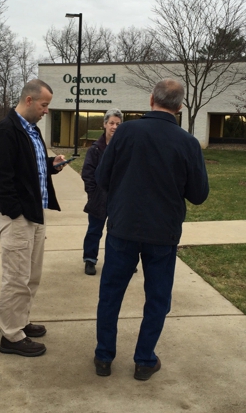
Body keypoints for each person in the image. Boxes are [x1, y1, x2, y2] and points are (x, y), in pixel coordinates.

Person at [93, 78, 209, 380]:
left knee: (110, 295)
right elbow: (199, 194)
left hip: (123, 228)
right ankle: (144, 360)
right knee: (157, 298)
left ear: (150, 100)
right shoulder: (187, 143)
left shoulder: (126, 131)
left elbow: (102, 176)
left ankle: (103, 357)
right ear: (180, 106)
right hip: (163, 234)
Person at [0, 79, 68, 357]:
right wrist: (16, 211)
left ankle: (20, 322)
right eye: (44, 105)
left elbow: (28, 167)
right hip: (17, 215)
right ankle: (10, 336)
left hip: (34, 212)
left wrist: (50, 166)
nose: (47, 110)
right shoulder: (7, 130)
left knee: (31, 275)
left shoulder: (31, 130)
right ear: (30, 100)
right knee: (17, 276)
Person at [81, 109, 123, 276]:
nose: (114, 127)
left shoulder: (124, 147)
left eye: (118, 124)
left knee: (118, 232)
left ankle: (119, 262)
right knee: (94, 230)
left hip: (119, 198)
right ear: (105, 124)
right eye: (111, 123)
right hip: (99, 198)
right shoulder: (95, 149)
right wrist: (93, 193)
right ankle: (90, 260)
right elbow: (87, 173)